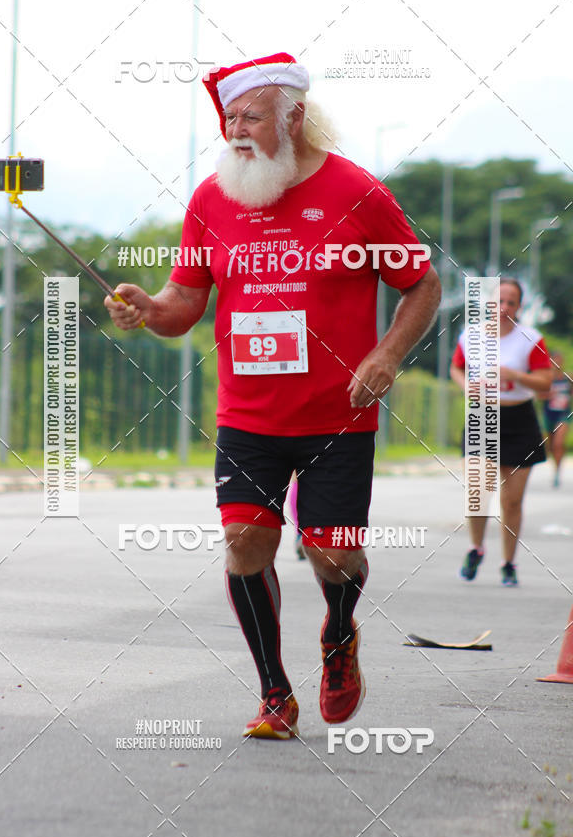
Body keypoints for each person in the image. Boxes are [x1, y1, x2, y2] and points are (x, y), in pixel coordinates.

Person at [105, 52, 441, 739]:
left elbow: (421, 284)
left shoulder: (358, 192)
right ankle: (274, 693)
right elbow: (182, 306)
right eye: (229, 117)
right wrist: (147, 306)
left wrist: (385, 354)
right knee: (244, 540)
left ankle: (339, 636)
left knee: (334, 552)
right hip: (248, 415)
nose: (235, 129)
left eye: (249, 115)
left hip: (337, 416)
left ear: (294, 116)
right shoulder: (210, 199)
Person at [450, 278, 552, 586]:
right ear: (489, 303)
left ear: (519, 306)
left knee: (512, 500)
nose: (504, 307)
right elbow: (457, 367)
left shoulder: (531, 338)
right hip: (483, 416)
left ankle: (508, 563)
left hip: (519, 419)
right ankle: (476, 547)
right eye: (499, 301)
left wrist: (515, 375)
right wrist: (467, 386)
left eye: (511, 302)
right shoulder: (472, 335)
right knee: (477, 490)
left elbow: (546, 382)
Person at [539, 351, 571, 487]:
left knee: (558, 443)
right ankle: (555, 467)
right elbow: (537, 395)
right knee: (551, 446)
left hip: (563, 414)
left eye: (559, 359)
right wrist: (548, 394)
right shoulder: (545, 378)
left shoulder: (567, 377)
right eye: (554, 360)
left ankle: (557, 473)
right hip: (548, 414)